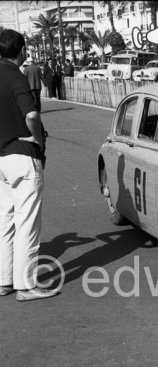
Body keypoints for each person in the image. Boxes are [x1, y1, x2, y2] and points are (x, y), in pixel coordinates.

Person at [0, 29, 57, 301]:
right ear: (21, 50)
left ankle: (4, 281)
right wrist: (35, 138)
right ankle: (26, 286)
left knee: (6, 223)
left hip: (1, 160)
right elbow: (32, 113)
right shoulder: (15, 77)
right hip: (22, 156)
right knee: (27, 224)